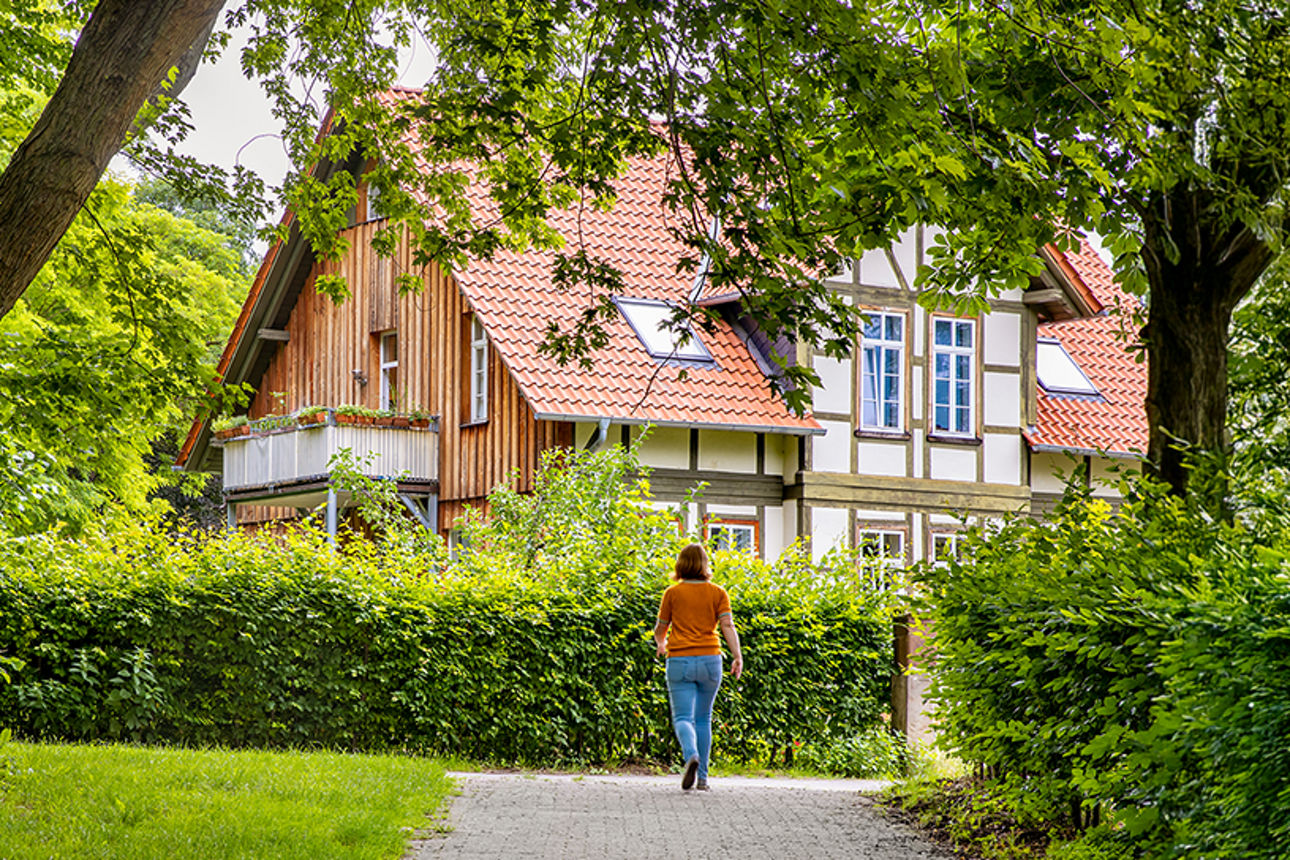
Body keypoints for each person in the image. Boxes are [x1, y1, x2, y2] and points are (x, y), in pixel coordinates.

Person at [653, 543, 744, 791]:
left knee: (683, 717)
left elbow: (660, 629)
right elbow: (727, 626)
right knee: (703, 718)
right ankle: (702, 778)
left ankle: (691, 755)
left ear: (680, 564)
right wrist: (737, 656)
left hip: (679, 660)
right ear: (705, 564)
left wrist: (661, 644)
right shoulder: (718, 592)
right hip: (710, 660)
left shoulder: (672, 593)